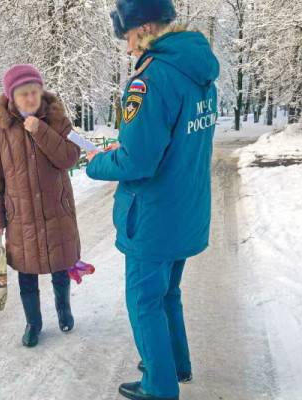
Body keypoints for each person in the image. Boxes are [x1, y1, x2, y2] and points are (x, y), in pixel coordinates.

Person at [86, 0, 220, 399]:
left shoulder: (150, 79)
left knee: (144, 301)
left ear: (143, 29)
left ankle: (159, 387)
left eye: (127, 37)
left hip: (154, 217)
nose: (127, 49)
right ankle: (175, 363)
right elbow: (174, 142)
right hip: (186, 209)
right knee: (168, 293)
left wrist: (96, 162)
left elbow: (137, 162)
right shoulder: (198, 72)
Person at [0, 64, 82, 348]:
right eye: (23, 93)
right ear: (11, 97)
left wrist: (41, 131)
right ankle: (33, 323)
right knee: (26, 274)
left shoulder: (57, 121)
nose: (30, 99)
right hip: (21, 216)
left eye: (34, 92)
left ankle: (64, 310)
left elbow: (69, 158)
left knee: (60, 267)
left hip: (56, 212)